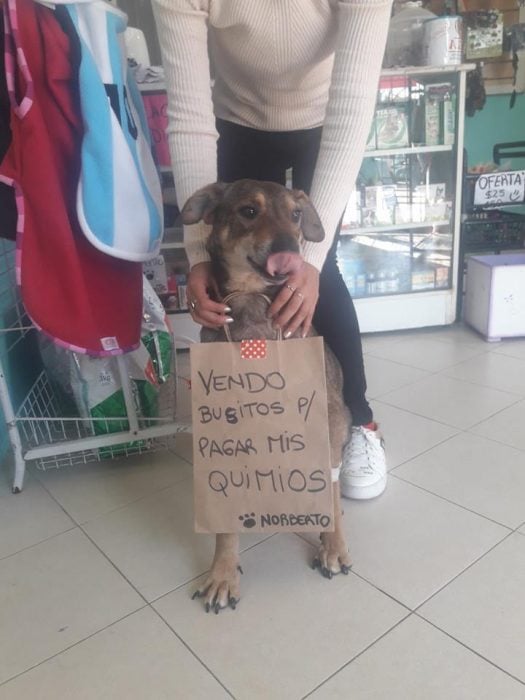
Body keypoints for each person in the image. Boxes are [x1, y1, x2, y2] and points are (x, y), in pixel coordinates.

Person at [152, 0, 392, 499]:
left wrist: (313, 264)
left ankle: (359, 424)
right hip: (235, 121)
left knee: (320, 281)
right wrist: (198, 254)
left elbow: (352, 107)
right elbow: (190, 115)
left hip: (325, 120)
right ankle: (247, 412)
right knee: (229, 277)